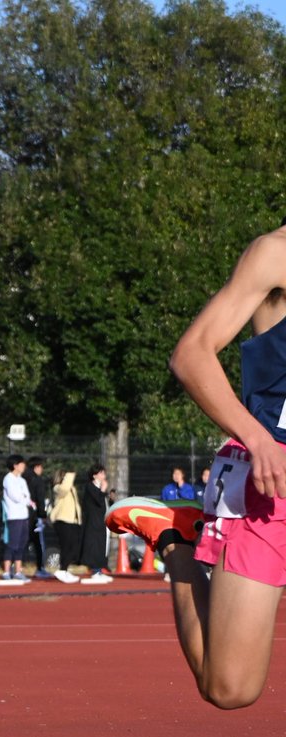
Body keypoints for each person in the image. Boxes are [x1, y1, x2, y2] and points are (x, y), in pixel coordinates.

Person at [118, 225, 286, 709]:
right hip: (268, 480)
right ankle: (176, 543)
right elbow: (191, 354)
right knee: (229, 688)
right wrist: (256, 437)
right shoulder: (274, 254)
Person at [0, 454, 33, 581]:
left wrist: (25, 498)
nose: (24, 466)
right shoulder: (8, 479)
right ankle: (6, 571)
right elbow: (16, 497)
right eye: (21, 463)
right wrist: (24, 498)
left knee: (22, 543)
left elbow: (27, 497)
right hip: (13, 516)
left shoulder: (22, 480)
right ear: (15, 465)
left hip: (24, 515)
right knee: (12, 544)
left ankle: (18, 572)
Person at [79, 464, 111, 583]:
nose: (104, 475)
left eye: (104, 473)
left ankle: (99, 570)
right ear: (94, 475)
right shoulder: (90, 487)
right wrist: (103, 490)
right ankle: (95, 571)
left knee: (101, 546)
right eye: (101, 473)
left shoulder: (98, 487)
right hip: (92, 522)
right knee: (94, 546)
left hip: (101, 522)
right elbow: (97, 500)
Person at [49, 469, 82, 583]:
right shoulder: (57, 488)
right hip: (62, 521)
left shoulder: (71, 489)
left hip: (72, 521)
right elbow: (64, 488)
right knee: (66, 546)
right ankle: (62, 570)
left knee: (73, 547)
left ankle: (65, 569)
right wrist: (70, 475)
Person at [23, 456, 51, 578]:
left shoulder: (22, 478)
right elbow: (40, 499)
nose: (42, 469)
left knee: (22, 542)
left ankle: (16, 567)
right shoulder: (37, 480)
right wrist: (43, 515)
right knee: (38, 543)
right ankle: (40, 568)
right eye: (41, 466)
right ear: (36, 467)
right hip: (33, 516)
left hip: (21, 515)